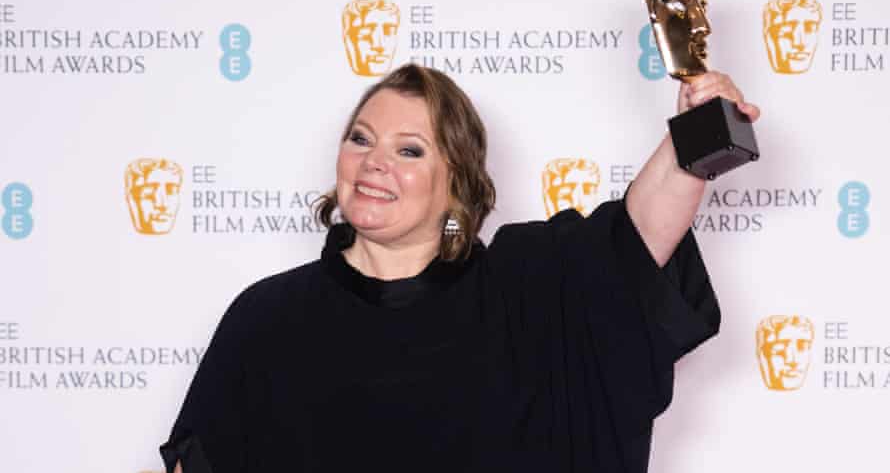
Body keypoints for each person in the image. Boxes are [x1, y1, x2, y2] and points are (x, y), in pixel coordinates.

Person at [161, 63, 760, 472]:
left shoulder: (532, 286)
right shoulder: (267, 317)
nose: (374, 162)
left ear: (457, 184)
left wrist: (700, 125)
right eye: (361, 139)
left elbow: (639, 236)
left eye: (409, 150)